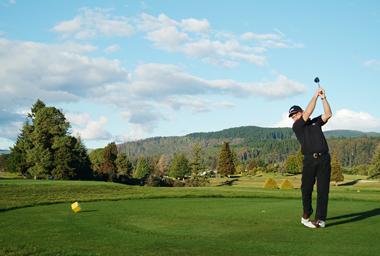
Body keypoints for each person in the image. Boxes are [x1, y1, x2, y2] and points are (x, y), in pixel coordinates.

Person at [288, 87, 332, 228]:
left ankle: (320, 219)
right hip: (309, 160)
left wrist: (323, 98)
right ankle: (307, 213)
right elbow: (308, 112)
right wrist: (315, 95)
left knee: (323, 190)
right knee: (306, 189)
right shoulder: (297, 126)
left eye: (295, 114)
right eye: (292, 116)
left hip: (324, 159)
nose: (294, 117)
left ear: (300, 112)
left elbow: (328, 113)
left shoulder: (315, 122)